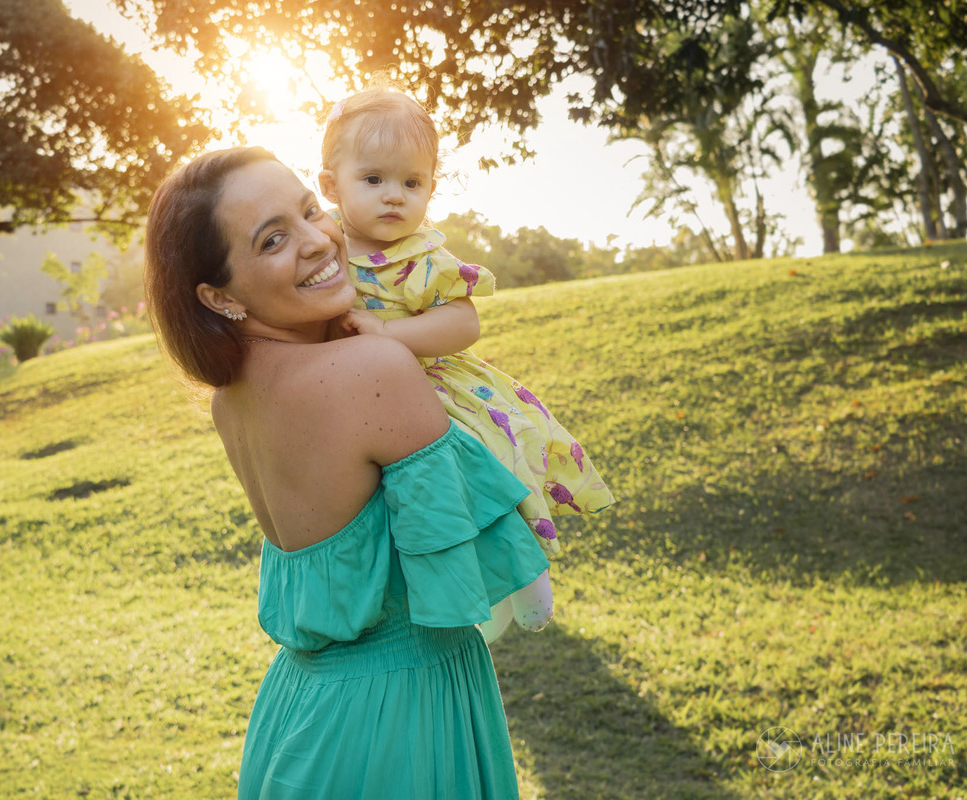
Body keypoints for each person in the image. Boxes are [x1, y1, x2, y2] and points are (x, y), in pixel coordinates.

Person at [144, 146, 549, 799]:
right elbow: (474, 567)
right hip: (400, 715)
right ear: (219, 296)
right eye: (273, 239)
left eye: (310, 211)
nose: (317, 240)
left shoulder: (231, 400)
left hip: (296, 705)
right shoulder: (372, 369)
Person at [317, 87, 614, 639]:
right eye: (373, 179)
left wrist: (389, 333)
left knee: (478, 466)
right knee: (401, 505)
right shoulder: (319, 248)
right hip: (355, 401)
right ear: (331, 186)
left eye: (412, 183)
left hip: (431, 387)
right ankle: (449, 593)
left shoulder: (422, 256)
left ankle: (527, 570)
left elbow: (463, 323)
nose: (394, 196)